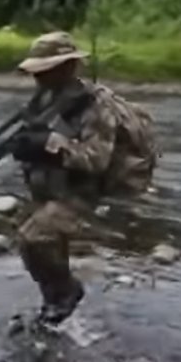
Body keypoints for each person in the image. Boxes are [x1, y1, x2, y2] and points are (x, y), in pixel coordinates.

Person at [10, 31, 155, 325]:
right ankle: (54, 304)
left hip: (85, 188)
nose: (39, 78)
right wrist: (27, 147)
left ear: (67, 67)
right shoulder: (47, 97)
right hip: (53, 184)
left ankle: (67, 293)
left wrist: (48, 146)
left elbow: (95, 160)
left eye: (46, 70)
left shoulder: (97, 106)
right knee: (45, 245)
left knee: (32, 238)